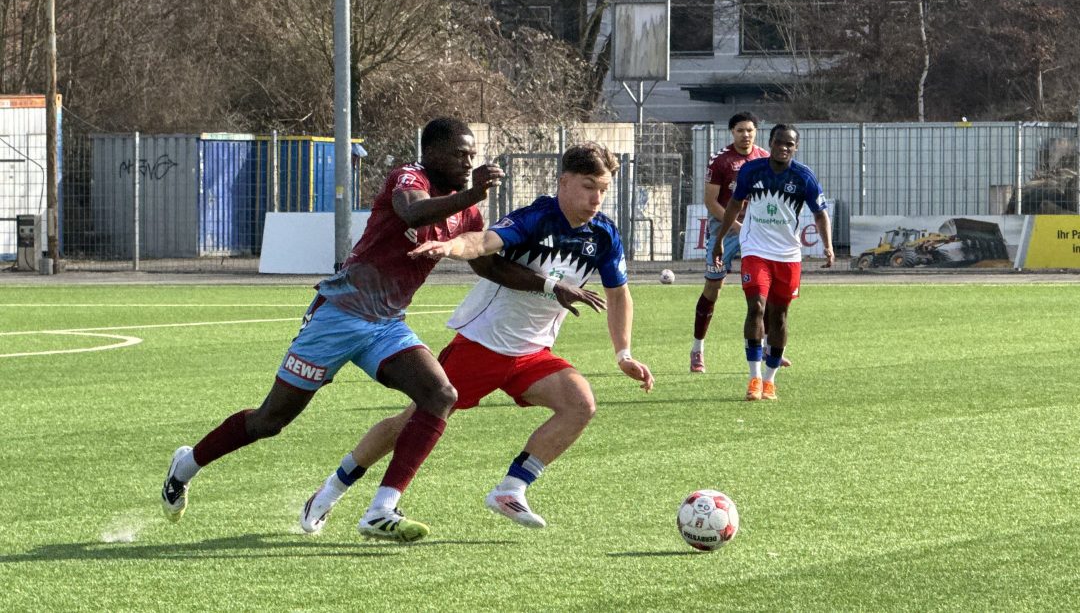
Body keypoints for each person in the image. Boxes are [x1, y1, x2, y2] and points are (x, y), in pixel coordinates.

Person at [160, 117, 508, 543]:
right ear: (432, 152)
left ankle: (382, 508)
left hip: (386, 325)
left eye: (473, 155)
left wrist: (547, 284)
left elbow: (486, 263)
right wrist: (473, 193)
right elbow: (411, 210)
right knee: (270, 421)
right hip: (337, 316)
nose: (469, 162)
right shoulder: (408, 176)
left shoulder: (466, 210)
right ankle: (186, 464)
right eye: (461, 155)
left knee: (440, 396)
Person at [298, 142, 654, 534]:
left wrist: (624, 354)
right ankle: (334, 492)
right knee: (412, 422)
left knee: (580, 404)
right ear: (564, 182)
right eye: (589, 186)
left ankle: (511, 488)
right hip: (482, 344)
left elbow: (619, 293)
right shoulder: (536, 217)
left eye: (603, 189)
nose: (596, 198)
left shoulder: (603, 236)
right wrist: (450, 246)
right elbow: (483, 242)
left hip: (533, 353)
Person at [715, 124, 833, 401]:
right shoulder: (751, 171)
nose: (783, 147)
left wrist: (827, 245)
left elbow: (820, 214)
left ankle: (769, 380)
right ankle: (754, 377)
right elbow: (734, 204)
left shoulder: (804, 177)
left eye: (789, 144)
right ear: (771, 142)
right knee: (756, 306)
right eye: (779, 142)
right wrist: (721, 238)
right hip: (755, 248)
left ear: (796, 147)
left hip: (788, 255)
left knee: (779, 316)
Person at [691, 112, 770, 373]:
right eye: (740, 130)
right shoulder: (721, 161)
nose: (745, 135)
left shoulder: (765, 159)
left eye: (749, 130)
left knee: (764, 289)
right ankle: (697, 349)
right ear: (732, 132)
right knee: (713, 287)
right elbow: (711, 201)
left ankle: (771, 349)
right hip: (725, 228)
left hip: (757, 230)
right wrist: (734, 226)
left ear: (756, 132)